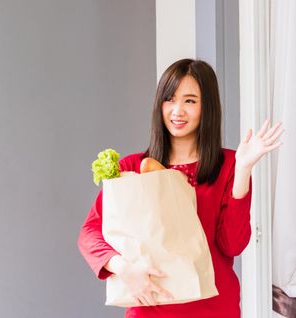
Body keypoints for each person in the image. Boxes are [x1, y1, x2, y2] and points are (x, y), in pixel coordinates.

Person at [78, 59, 284, 318]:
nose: (177, 111)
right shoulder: (130, 167)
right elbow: (89, 233)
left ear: (206, 106)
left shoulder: (231, 165)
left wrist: (243, 171)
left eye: (190, 101)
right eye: (169, 99)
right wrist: (123, 267)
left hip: (213, 309)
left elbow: (232, 245)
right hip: (149, 306)